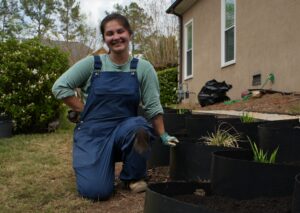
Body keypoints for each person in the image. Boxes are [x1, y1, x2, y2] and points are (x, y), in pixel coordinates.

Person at [52, 13, 179, 201]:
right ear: (104, 39)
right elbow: (60, 87)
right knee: (96, 192)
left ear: (130, 34)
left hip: (125, 129)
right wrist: (83, 109)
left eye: (120, 31)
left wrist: (163, 134)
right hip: (93, 132)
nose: (116, 37)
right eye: (110, 33)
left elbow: (153, 106)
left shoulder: (142, 68)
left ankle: (133, 177)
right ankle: (97, 168)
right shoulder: (92, 64)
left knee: (140, 129)